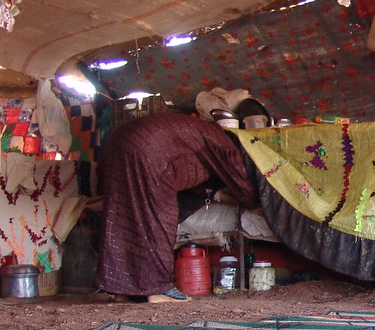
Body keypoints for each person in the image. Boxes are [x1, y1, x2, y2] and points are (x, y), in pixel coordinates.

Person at [95, 112, 258, 302]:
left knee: (121, 217)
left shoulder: (194, 136)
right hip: (149, 152)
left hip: (117, 143)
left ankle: (121, 291)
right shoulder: (225, 144)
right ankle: (156, 291)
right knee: (157, 219)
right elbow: (240, 181)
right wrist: (254, 203)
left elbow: (203, 187)